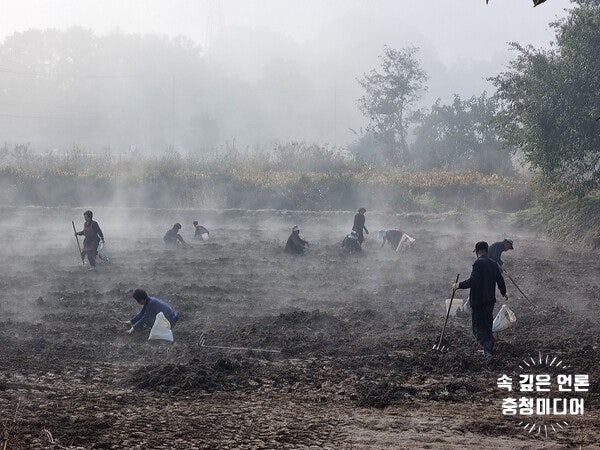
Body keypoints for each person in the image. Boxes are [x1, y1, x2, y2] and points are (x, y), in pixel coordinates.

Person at [452, 241, 507, 358]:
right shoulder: (493, 263)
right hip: (490, 300)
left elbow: (473, 281)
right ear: (486, 251)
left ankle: (488, 349)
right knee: (487, 326)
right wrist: (503, 292)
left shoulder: (478, 263)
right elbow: (500, 279)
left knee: (477, 329)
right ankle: (488, 349)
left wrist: (458, 285)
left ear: (477, 252)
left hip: (478, 301)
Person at [456, 237, 514, 318]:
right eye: (509, 247)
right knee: (479, 290)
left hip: (487, 269)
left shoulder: (499, 247)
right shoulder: (499, 246)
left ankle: (467, 310)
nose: (508, 249)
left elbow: (495, 260)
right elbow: (495, 258)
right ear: (506, 243)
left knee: (479, 290)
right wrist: (501, 266)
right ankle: (466, 310)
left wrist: (501, 268)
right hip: (486, 269)